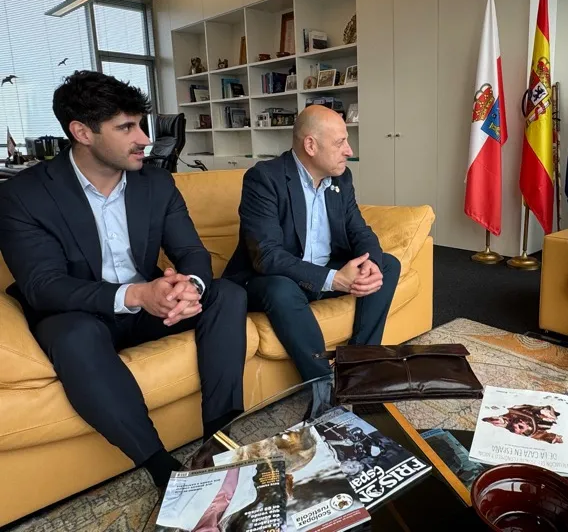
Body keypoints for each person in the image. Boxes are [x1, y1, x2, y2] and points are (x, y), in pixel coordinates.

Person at [0, 71, 248, 489]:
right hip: (78, 312)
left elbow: (189, 252)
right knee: (73, 334)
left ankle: (219, 443)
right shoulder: (23, 195)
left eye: (142, 124)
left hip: (150, 306)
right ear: (81, 132)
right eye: (126, 127)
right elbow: (43, 284)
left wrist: (191, 288)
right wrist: (135, 294)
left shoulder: (155, 182)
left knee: (226, 295)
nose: (145, 139)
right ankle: (161, 469)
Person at [223, 105, 401, 383]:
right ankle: (324, 387)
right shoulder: (264, 179)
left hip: (321, 272)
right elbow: (267, 257)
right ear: (311, 145)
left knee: (387, 264)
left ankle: (360, 366)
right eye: (340, 142)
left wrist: (371, 265)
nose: (349, 150)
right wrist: (334, 279)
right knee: (280, 287)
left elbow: (359, 230)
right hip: (268, 279)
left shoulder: (342, 177)